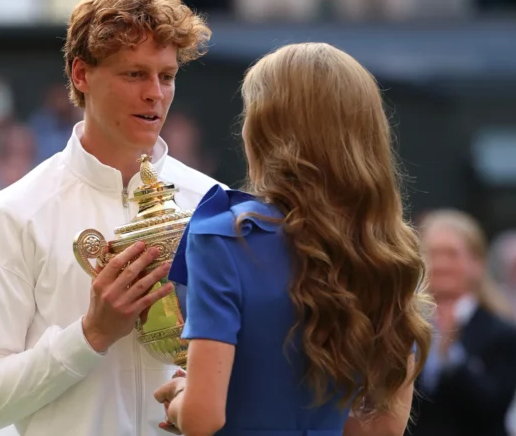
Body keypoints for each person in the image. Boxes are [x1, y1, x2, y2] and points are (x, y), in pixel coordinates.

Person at [0, 0, 220, 436]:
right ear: (81, 74)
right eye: (134, 74)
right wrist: (91, 334)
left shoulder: (214, 206)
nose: (155, 93)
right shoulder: (14, 213)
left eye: (167, 76)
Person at [153, 42, 432, 436]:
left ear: (266, 130)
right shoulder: (386, 249)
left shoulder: (224, 237)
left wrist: (182, 395)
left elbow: (203, 418)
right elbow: (381, 429)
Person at [409, 210, 516, 436]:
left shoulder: (505, 334)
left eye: (451, 254)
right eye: (433, 254)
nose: (441, 264)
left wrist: (451, 354)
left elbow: (493, 408)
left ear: (477, 263)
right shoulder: (403, 329)